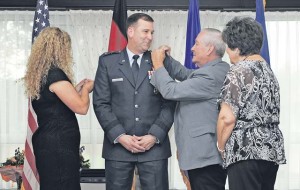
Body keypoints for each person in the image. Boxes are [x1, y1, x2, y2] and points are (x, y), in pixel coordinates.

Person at [93, 13, 176, 190]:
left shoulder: (160, 61)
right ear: (130, 31)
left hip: (154, 148)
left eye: (152, 32)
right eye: (145, 31)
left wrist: (154, 136)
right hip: (118, 148)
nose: (150, 37)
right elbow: (101, 103)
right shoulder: (108, 61)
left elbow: (170, 102)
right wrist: (120, 136)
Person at [150, 28, 229, 190]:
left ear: (209, 49)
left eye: (196, 44)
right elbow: (187, 75)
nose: (192, 48)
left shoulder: (211, 75)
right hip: (203, 156)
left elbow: (171, 90)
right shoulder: (215, 69)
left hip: (205, 157)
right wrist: (168, 60)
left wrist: (158, 64)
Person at [217, 17, 286, 190]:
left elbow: (227, 118)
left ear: (238, 48)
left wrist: (221, 145)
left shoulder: (239, 70)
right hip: (270, 150)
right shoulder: (268, 71)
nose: (227, 52)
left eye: (228, 47)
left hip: (245, 150)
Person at [23, 27, 94, 190]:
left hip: (49, 143)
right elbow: (82, 107)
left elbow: (55, 104)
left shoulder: (42, 76)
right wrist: (86, 89)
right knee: (64, 185)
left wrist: (76, 89)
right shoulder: (55, 75)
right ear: (60, 49)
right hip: (59, 145)